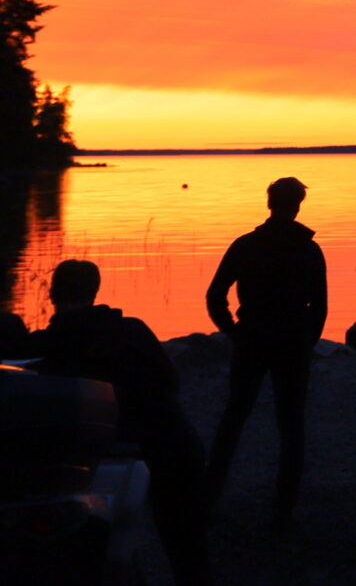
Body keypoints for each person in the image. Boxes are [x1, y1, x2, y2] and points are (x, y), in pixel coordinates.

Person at [30, 258, 212, 586]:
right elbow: (170, 381)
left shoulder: (52, 344)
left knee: (102, 550)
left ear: (52, 294)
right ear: (95, 292)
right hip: (176, 442)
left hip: (127, 456)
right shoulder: (135, 328)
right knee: (188, 550)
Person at [205, 175, 327, 530]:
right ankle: (283, 510)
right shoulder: (308, 249)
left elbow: (215, 295)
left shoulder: (246, 245)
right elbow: (320, 305)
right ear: (298, 205)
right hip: (290, 342)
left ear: (269, 202)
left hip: (253, 338)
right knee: (291, 425)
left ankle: (209, 495)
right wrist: (308, 341)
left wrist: (232, 331)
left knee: (234, 416)